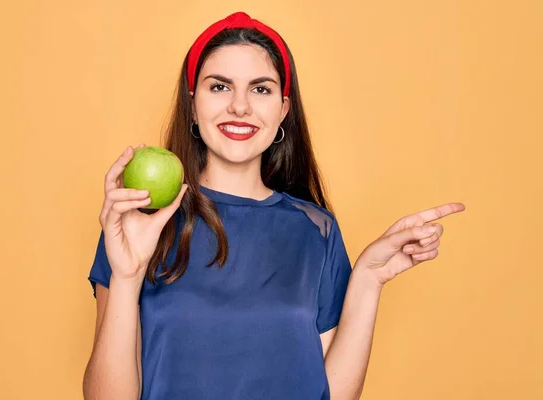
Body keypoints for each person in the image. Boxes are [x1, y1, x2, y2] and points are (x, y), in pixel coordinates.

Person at [82, 11, 465, 400]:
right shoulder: (139, 224)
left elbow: (331, 394)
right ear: (192, 104)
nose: (240, 107)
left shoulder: (315, 231)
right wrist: (126, 278)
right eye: (219, 87)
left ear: (283, 110)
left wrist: (368, 278)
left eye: (260, 89)